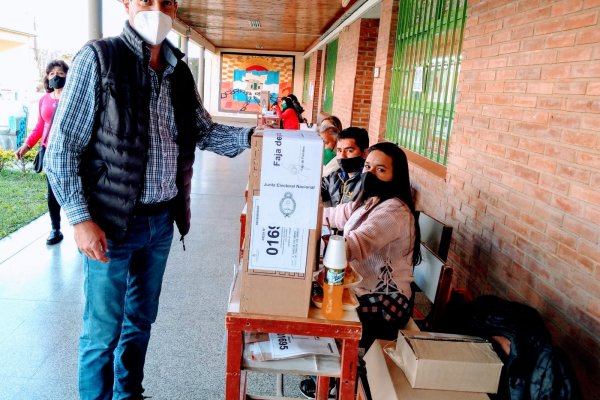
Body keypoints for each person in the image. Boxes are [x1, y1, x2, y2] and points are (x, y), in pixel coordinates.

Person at [44, 1, 256, 399]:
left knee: (140, 321)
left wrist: (254, 136)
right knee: (102, 331)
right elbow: (62, 147)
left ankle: (129, 393)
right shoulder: (99, 58)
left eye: (166, 1)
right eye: (145, 0)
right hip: (111, 223)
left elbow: (204, 132)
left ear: (175, 9)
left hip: (160, 222)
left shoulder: (178, 72)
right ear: (127, 4)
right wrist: (78, 218)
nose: (156, 8)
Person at [301, 142, 422, 398]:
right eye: (368, 167)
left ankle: (334, 379)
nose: (370, 174)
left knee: (325, 312)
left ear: (395, 176)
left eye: (381, 170)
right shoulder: (369, 201)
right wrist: (302, 214)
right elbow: (334, 216)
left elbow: (356, 244)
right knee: (317, 299)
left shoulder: (395, 211)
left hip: (388, 301)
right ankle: (327, 374)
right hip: (360, 289)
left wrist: (320, 244)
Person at [14, 59, 69, 245]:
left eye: (60, 73)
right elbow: (39, 127)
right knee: (52, 191)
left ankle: (85, 229)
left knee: (79, 190)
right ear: (47, 77)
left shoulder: (72, 97)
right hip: (49, 150)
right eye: (52, 73)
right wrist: (26, 146)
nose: (56, 76)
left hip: (70, 151)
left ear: (68, 76)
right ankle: (56, 229)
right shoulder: (44, 100)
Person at [321, 127, 369, 207]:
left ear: (364, 153)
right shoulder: (334, 177)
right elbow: (315, 189)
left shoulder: (367, 184)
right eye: (339, 150)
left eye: (349, 151)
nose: (342, 156)